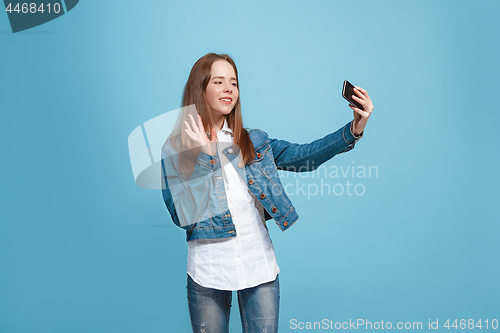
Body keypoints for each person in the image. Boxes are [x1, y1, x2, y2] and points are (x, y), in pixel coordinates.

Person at [160, 53, 374, 333]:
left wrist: (354, 129)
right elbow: (182, 215)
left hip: (258, 267)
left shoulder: (253, 141)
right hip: (208, 273)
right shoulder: (175, 149)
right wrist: (205, 157)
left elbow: (303, 156)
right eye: (219, 81)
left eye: (233, 83)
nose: (228, 89)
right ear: (200, 89)